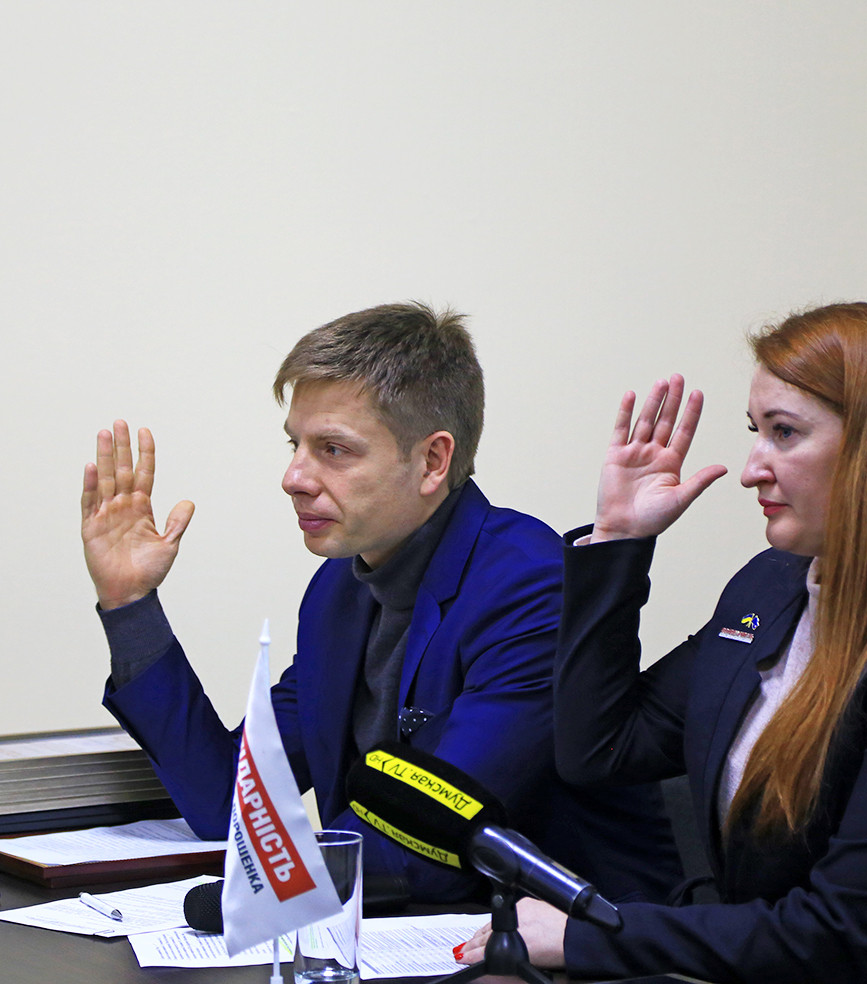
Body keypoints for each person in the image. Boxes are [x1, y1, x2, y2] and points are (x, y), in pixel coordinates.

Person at [456, 303, 867, 982]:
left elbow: (836, 935)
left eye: (784, 433)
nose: (751, 470)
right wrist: (618, 540)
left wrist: (588, 937)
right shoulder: (771, 586)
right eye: (756, 432)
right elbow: (601, 750)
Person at [81, 301, 680, 904]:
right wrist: (131, 604)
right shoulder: (339, 590)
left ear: (432, 461)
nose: (293, 477)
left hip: (574, 941)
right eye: (295, 445)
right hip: (400, 931)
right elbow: (232, 802)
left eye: (334, 450)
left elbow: (432, 839)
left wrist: (239, 897)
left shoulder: (528, 585)